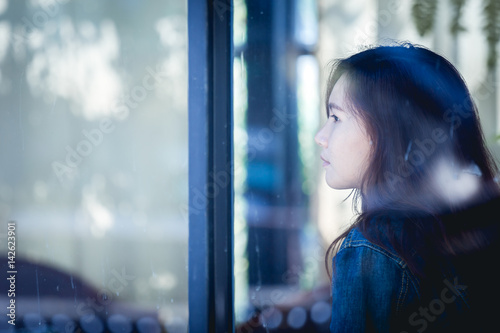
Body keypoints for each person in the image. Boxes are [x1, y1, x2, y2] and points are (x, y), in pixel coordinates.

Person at [314, 42, 500, 332]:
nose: (321, 137)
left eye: (336, 117)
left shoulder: (372, 248)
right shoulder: (475, 226)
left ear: (390, 130)